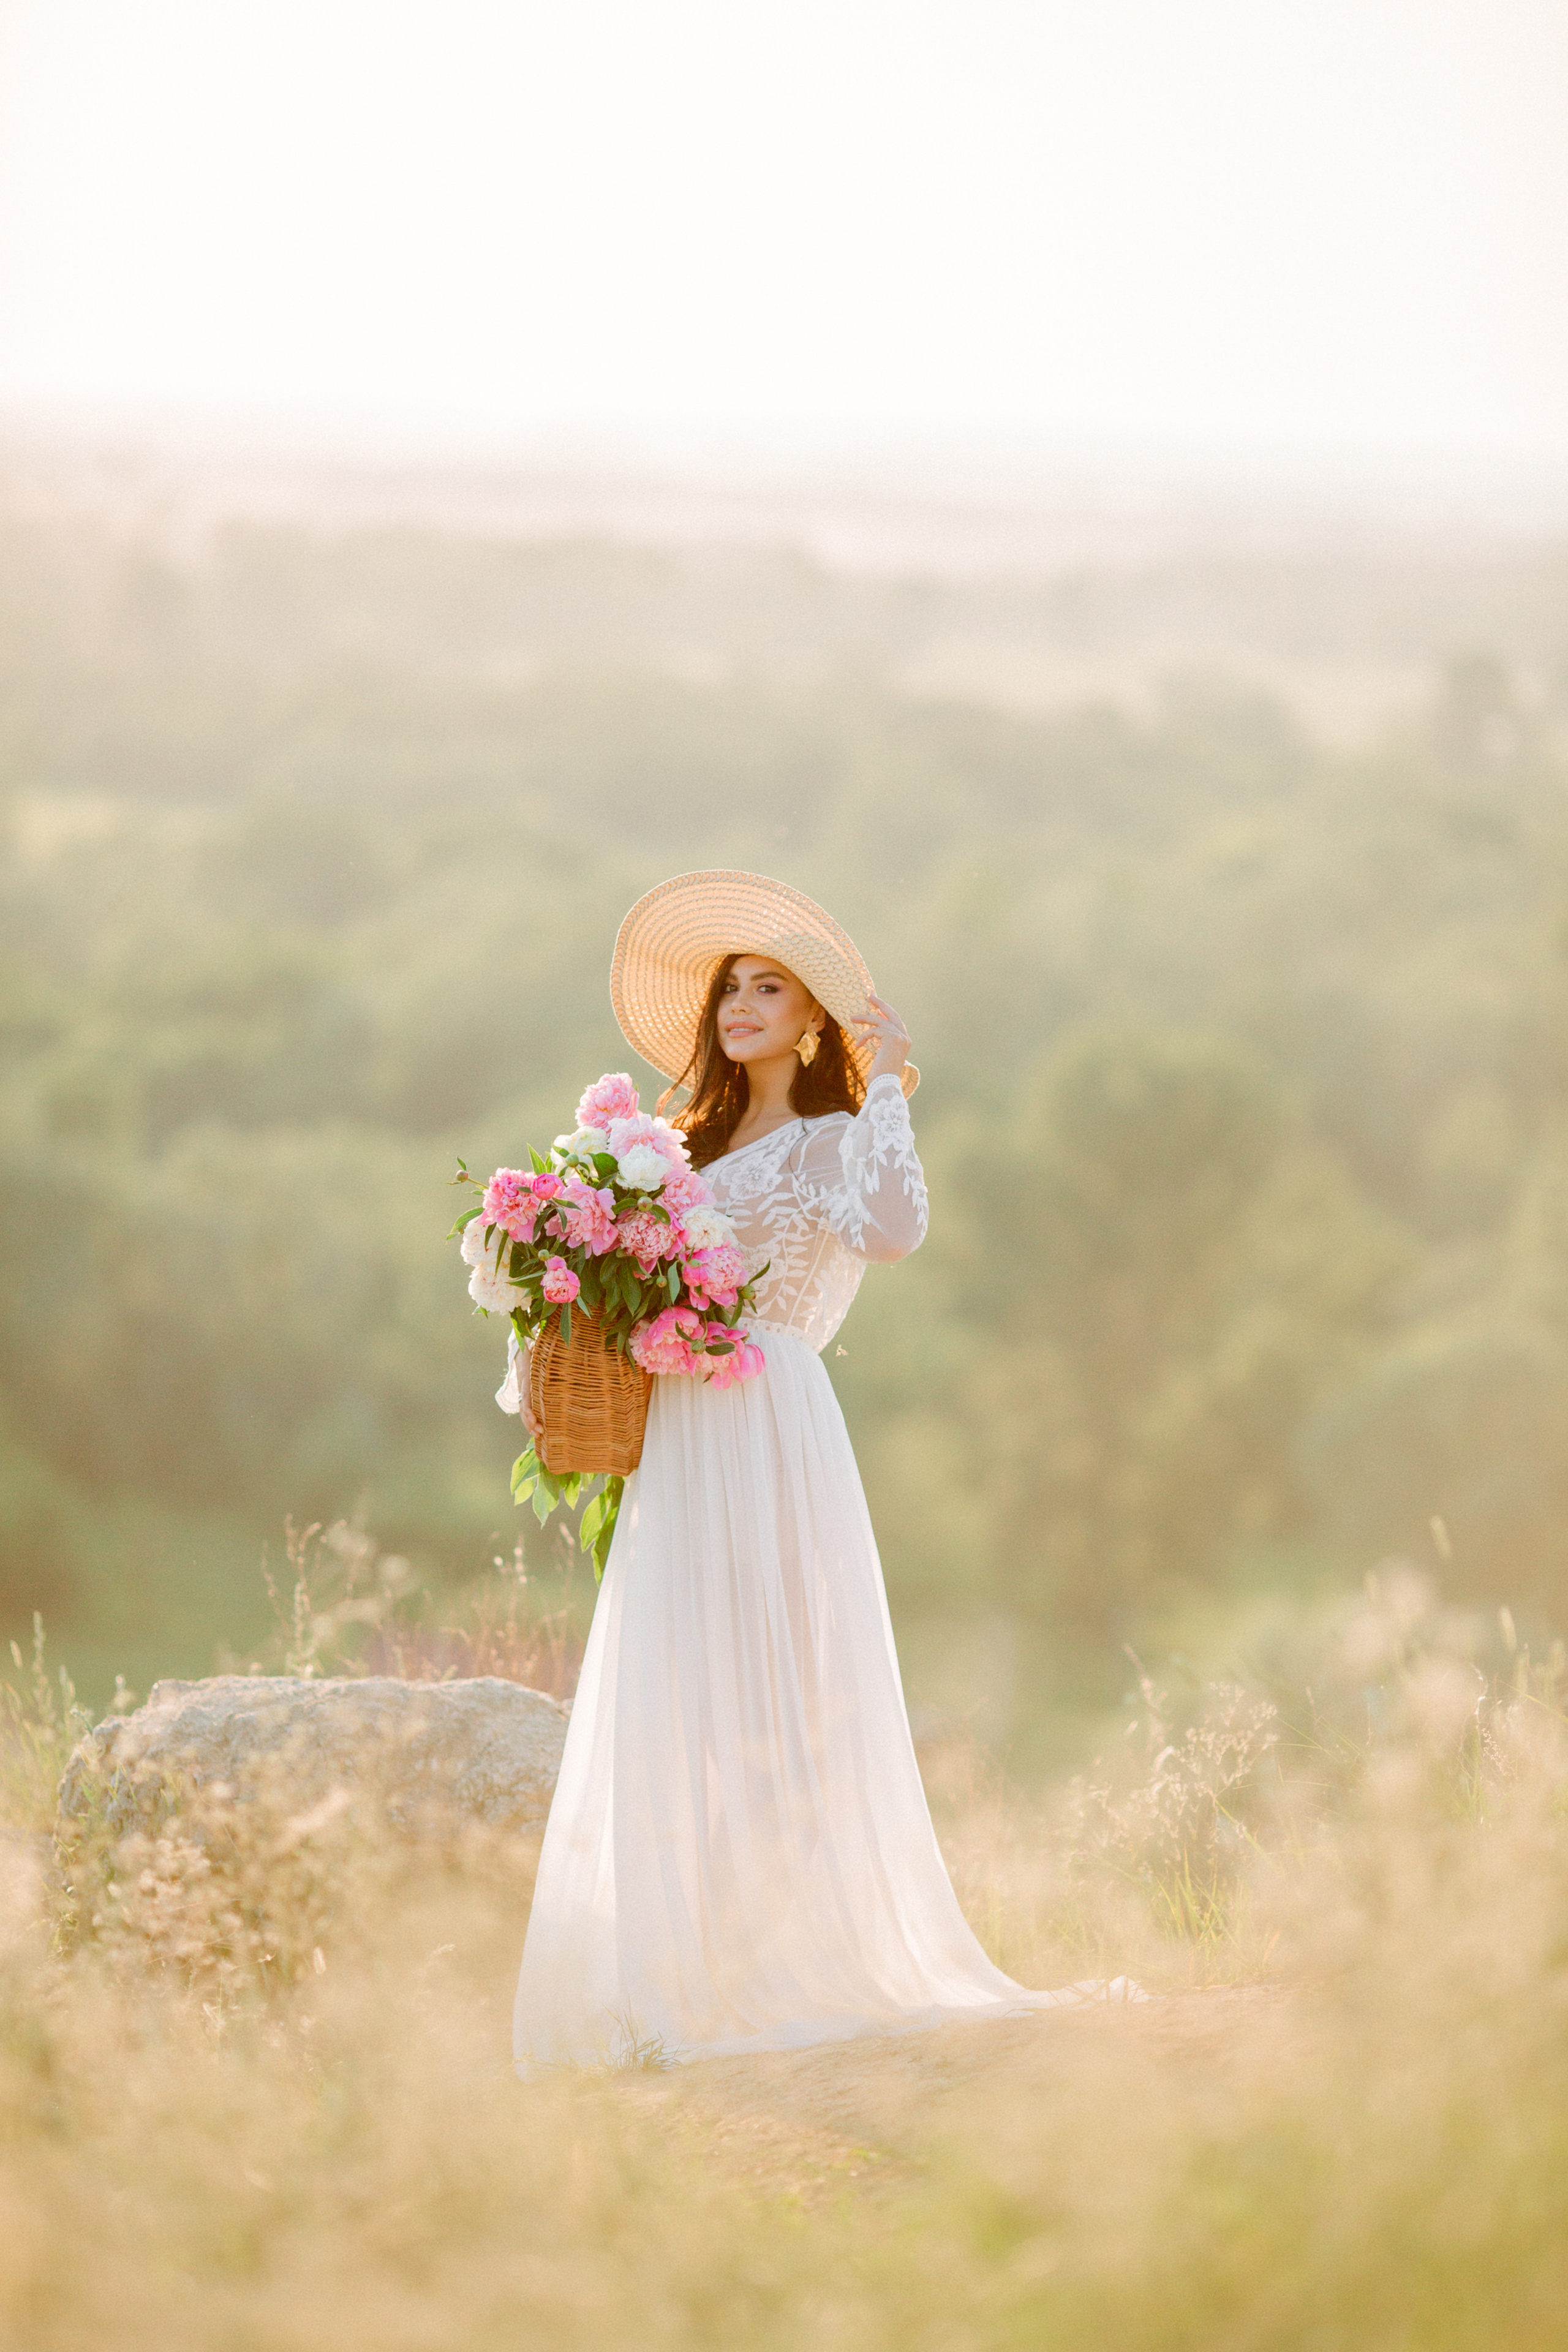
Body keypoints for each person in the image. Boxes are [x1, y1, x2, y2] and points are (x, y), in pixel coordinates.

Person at [511, 869, 1133, 2068]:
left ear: (812, 1018)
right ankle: (679, 1970)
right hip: (677, 1429)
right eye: (728, 987)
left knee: (778, 1671)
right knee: (677, 1675)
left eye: (768, 987)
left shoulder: (832, 1138)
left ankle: (788, 1956)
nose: (740, 1004)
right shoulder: (671, 1145)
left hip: (765, 1411)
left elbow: (891, 1231)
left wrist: (890, 1087)